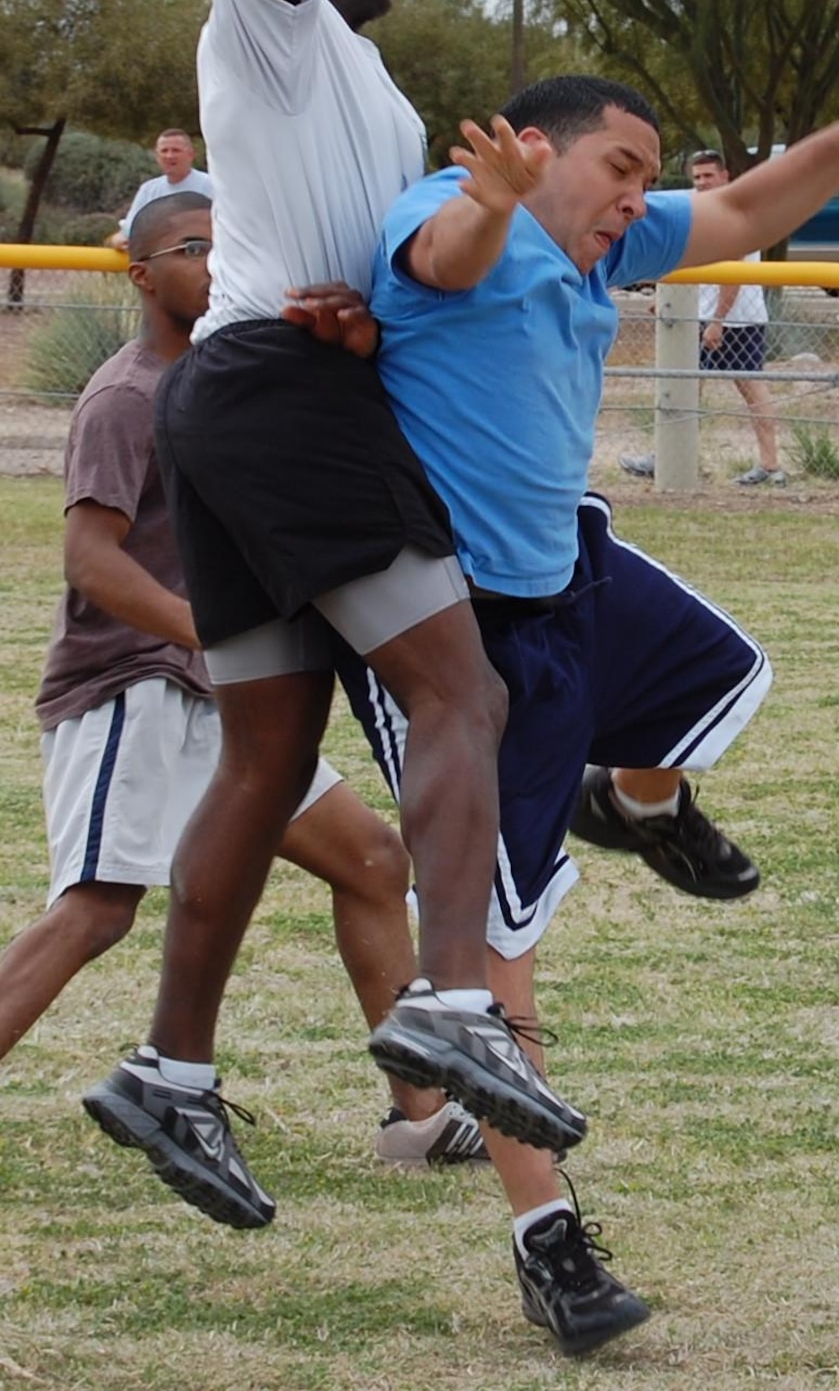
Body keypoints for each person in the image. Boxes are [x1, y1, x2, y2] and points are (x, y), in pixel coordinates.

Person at [301, 36, 839, 1355]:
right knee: (497, 956)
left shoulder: (598, 239)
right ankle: (547, 1244)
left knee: (725, 676)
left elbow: (736, 213)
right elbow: (446, 261)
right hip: (449, 644)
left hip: (569, 578)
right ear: (536, 150)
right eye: (620, 169)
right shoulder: (450, 216)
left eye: (642, 178)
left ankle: (631, 796)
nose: (637, 196)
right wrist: (490, 203)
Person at [82, 0, 583, 1236]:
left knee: (266, 752)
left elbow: (372, 266)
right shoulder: (277, 15)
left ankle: (168, 1068)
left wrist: (366, 318)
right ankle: (449, 1006)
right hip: (270, 405)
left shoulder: (361, 96)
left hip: (250, 398)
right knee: (460, 696)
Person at [2, 191, 486, 1173]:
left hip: (228, 711)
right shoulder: (127, 394)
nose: (214, 262)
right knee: (98, 905)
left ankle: (423, 1114)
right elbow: (93, 561)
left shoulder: (244, 392)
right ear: (140, 276)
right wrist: (213, 636)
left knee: (371, 861)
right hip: (129, 687)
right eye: (189, 248)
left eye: (230, 245)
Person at [620, 146, 784, 486]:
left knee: (751, 389)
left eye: (709, 175)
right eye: (697, 177)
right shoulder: (698, 211)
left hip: (736, 320)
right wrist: (669, 298)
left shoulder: (736, 211)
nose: (703, 182)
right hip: (702, 317)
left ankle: (771, 465)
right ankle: (669, 457)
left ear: (725, 176)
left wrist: (717, 321)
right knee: (685, 389)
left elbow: (732, 272)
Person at [108, 130, 214, 252]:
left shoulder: (210, 186)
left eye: (176, 150)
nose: (169, 156)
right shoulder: (148, 190)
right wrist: (116, 239)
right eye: (164, 151)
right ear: (157, 156)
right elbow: (131, 228)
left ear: (191, 154)